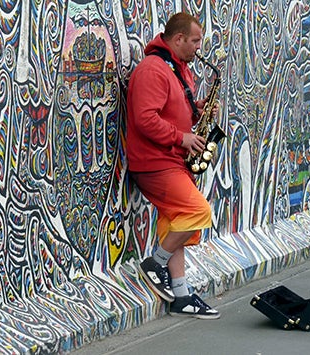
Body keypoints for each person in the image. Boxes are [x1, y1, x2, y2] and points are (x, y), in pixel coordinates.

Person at [126, 12, 220, 319]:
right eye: (195, 41)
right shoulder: (153, 69)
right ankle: (157, 261)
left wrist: (198, 111)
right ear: (177, 39)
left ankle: (181, 293)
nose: (198, 48)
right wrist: (182, 138)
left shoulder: (177, 69)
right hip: (155, 163)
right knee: (198, 212)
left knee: (176, 221)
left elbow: (171, 114)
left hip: (171, 161)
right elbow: (144, 119)